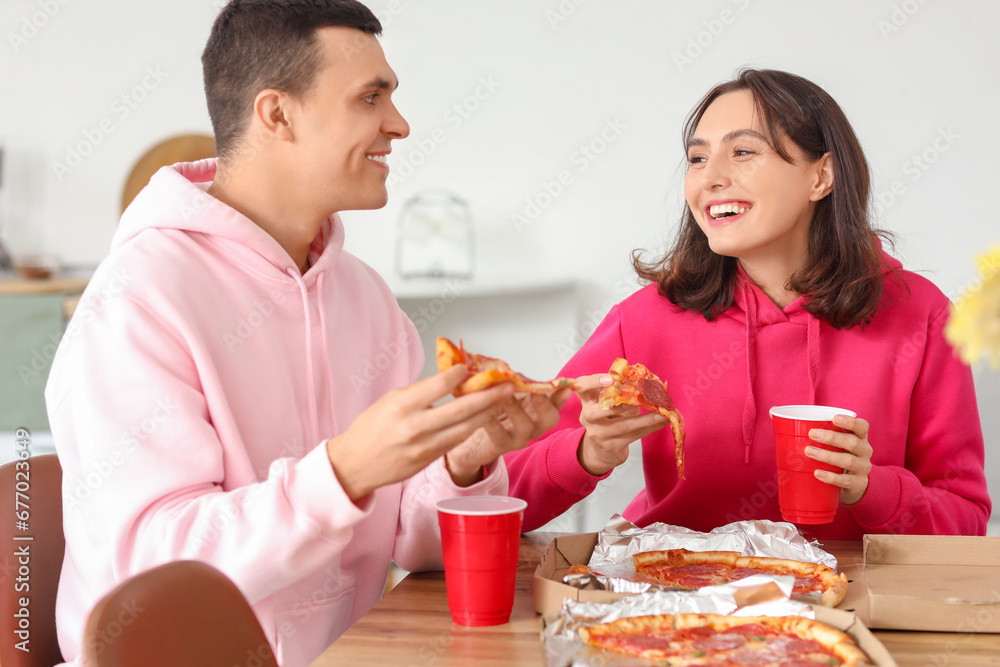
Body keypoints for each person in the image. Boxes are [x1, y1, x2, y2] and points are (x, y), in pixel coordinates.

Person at [46, 2, 568, 665]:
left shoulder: (365, 297)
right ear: (277, 115)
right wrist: (342, 472)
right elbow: (152, 583)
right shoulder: (137, 300)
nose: (399, 124)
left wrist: (468, 455)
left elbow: (409, 540)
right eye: (370, 97)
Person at [506, 68, 991, 539]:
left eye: (742, 151)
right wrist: (586, 453)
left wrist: (871, 489)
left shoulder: (921, 316)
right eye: (697, 159)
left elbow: (965, 516)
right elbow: (500, 493)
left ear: (821, 176)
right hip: (677, 595)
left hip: (849, 604)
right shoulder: (644, 321)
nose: (711, 178)